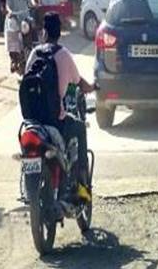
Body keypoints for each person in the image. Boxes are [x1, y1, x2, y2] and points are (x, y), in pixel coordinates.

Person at [26, 13, 95, 191]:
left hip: (32, 121)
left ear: (44, 32)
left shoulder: (34, 53)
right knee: (80, 128)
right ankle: (82, 182)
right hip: (56, 121)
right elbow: (80, 83)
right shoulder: (63, 55)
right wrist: (93, 87)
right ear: (59, 33)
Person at [5, 0, 37, 73]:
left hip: (25, 19)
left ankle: (34, 46)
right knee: (12, 38)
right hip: (14, 19)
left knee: (32, 25)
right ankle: (13, 60)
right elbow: (8, 5)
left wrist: (33, 3)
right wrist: (10, 12)